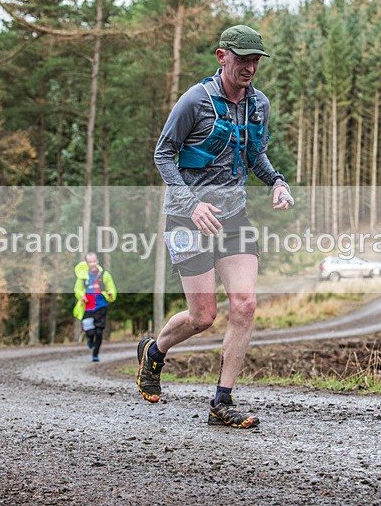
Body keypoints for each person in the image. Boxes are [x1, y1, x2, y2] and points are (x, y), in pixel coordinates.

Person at [136, 24, 293, 429]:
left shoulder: (259, 104)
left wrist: (277, 181)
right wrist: (192, 203)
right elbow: (163, 154)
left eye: (255, 60)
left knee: (245, 305)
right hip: (186, 218)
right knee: (203, 316)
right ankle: (154, 351)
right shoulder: (195, 100)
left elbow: (256, 154)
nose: (250, 67)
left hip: (233, 216)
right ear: (222, 56)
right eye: (242, 58)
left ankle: (222, 402)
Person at [73, 253, 117, 362]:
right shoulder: (82, 277)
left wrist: (111, 294)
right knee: (90, 331)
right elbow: (77, 289)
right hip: (87, 307)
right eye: (90, 262)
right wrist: (81, 296)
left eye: (94, 261)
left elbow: (111, 288)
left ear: (97, 261)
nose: (92, 264)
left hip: (101, 306)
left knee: (98, 332)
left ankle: (95, 354)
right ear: (87, 263)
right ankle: (89, 339)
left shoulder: (104, 275)